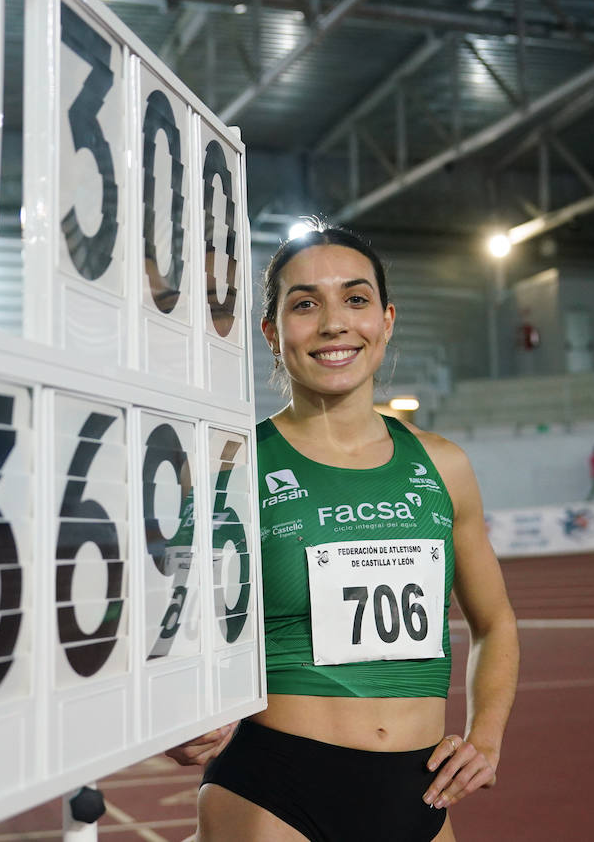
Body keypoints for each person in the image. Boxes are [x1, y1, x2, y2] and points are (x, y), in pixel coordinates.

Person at [166, 223, 520, 842]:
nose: (334, 323)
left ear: (385, 320)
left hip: (418, 790)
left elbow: (496, 624)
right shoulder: (230, 465)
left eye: (355, 299)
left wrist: (486, 737)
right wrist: (177, 721)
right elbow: (164, 626)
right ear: (272, 332)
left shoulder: (445, 466)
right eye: (305, 304)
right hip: (273, 789)